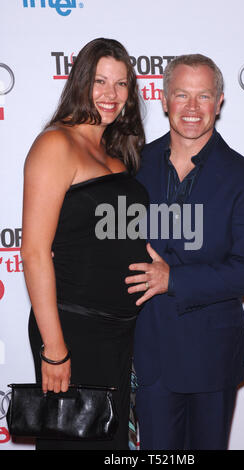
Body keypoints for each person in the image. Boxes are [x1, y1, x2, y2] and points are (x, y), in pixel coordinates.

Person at [125, 54, 244, 450]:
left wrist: (174, 279)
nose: (192, 108)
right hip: (148, 350)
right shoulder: (132, 166)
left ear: (219, 101)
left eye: (203, 96)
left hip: (212, 353)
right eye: (182, 95)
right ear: (163, 99)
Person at [21, 37, 151, 450]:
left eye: (121, 84)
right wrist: (55, 348)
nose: (111, 95)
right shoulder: (56, 144)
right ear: (80, 83)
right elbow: (35, 252)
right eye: (100, 81)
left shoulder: (117, 154)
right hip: (73, 329)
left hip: (120, 334)